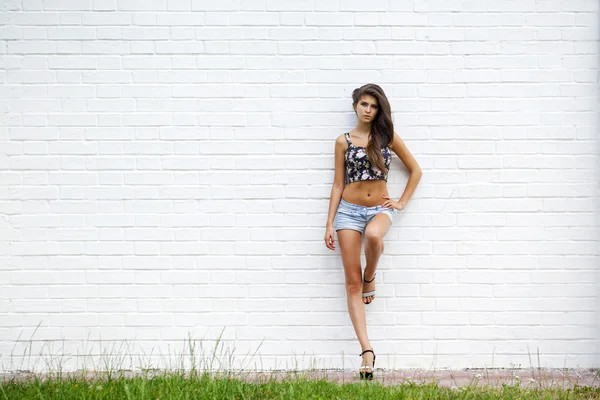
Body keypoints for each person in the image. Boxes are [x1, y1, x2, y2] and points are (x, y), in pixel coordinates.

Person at [324, 83, 422, 380]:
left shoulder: (387, 138)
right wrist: (329, 223)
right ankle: (367, 351)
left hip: (379, 208)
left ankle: (371, 275)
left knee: (374, 236)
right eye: (364, 104)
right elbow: (338, 184)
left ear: (379, 110)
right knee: (351, 283)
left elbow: (415, 170)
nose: (368, 110)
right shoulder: (343, 141)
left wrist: (401, 202)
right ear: (356, 106)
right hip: (348, 213)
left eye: (374, 106)